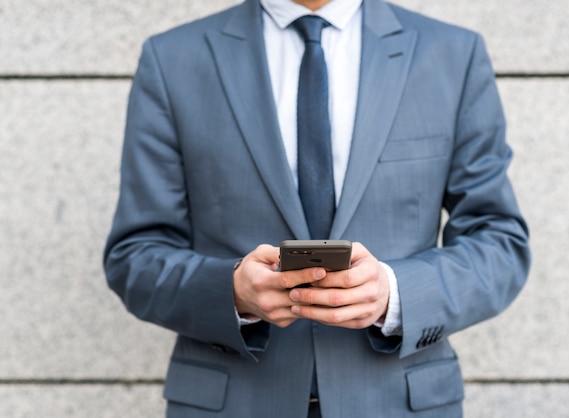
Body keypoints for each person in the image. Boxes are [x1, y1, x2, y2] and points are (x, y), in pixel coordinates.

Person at [103, 0, 531, 417]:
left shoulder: (451, 55)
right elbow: (135, 255)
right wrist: (232, 293)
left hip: (399, 402)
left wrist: (393, 293)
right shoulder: (173, 58)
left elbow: (498, 243)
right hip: (233, 402)